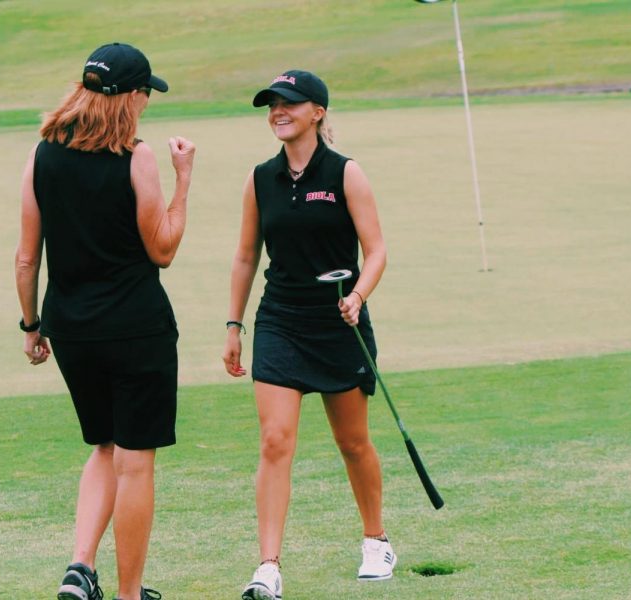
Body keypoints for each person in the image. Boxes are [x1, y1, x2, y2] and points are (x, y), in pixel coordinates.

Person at [15, 42, 195, 600]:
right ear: (132, 96)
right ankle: (128, 593)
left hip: (71, 328)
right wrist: (184, 179)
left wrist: (31, 325)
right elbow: (162, 249)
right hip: (136, 327)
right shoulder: (137, 157)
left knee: (104, 446)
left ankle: (80, 567)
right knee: (135, 461)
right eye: (146, 93)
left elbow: (27, 258)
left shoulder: (43, 152)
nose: (147, 102)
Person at [222, 70, 392, 600]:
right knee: (275, 441)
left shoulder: (346, 173)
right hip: (281, 321)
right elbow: (247, 255)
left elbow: (377, 250)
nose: (278, 112)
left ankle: (376, 538)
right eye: (272, 105)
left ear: (317, 111)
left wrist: (359, 295)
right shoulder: (259, 178)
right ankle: (268, 566)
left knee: (353, 441)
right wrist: (235, 324)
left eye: (289, 104)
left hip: (338, 322)